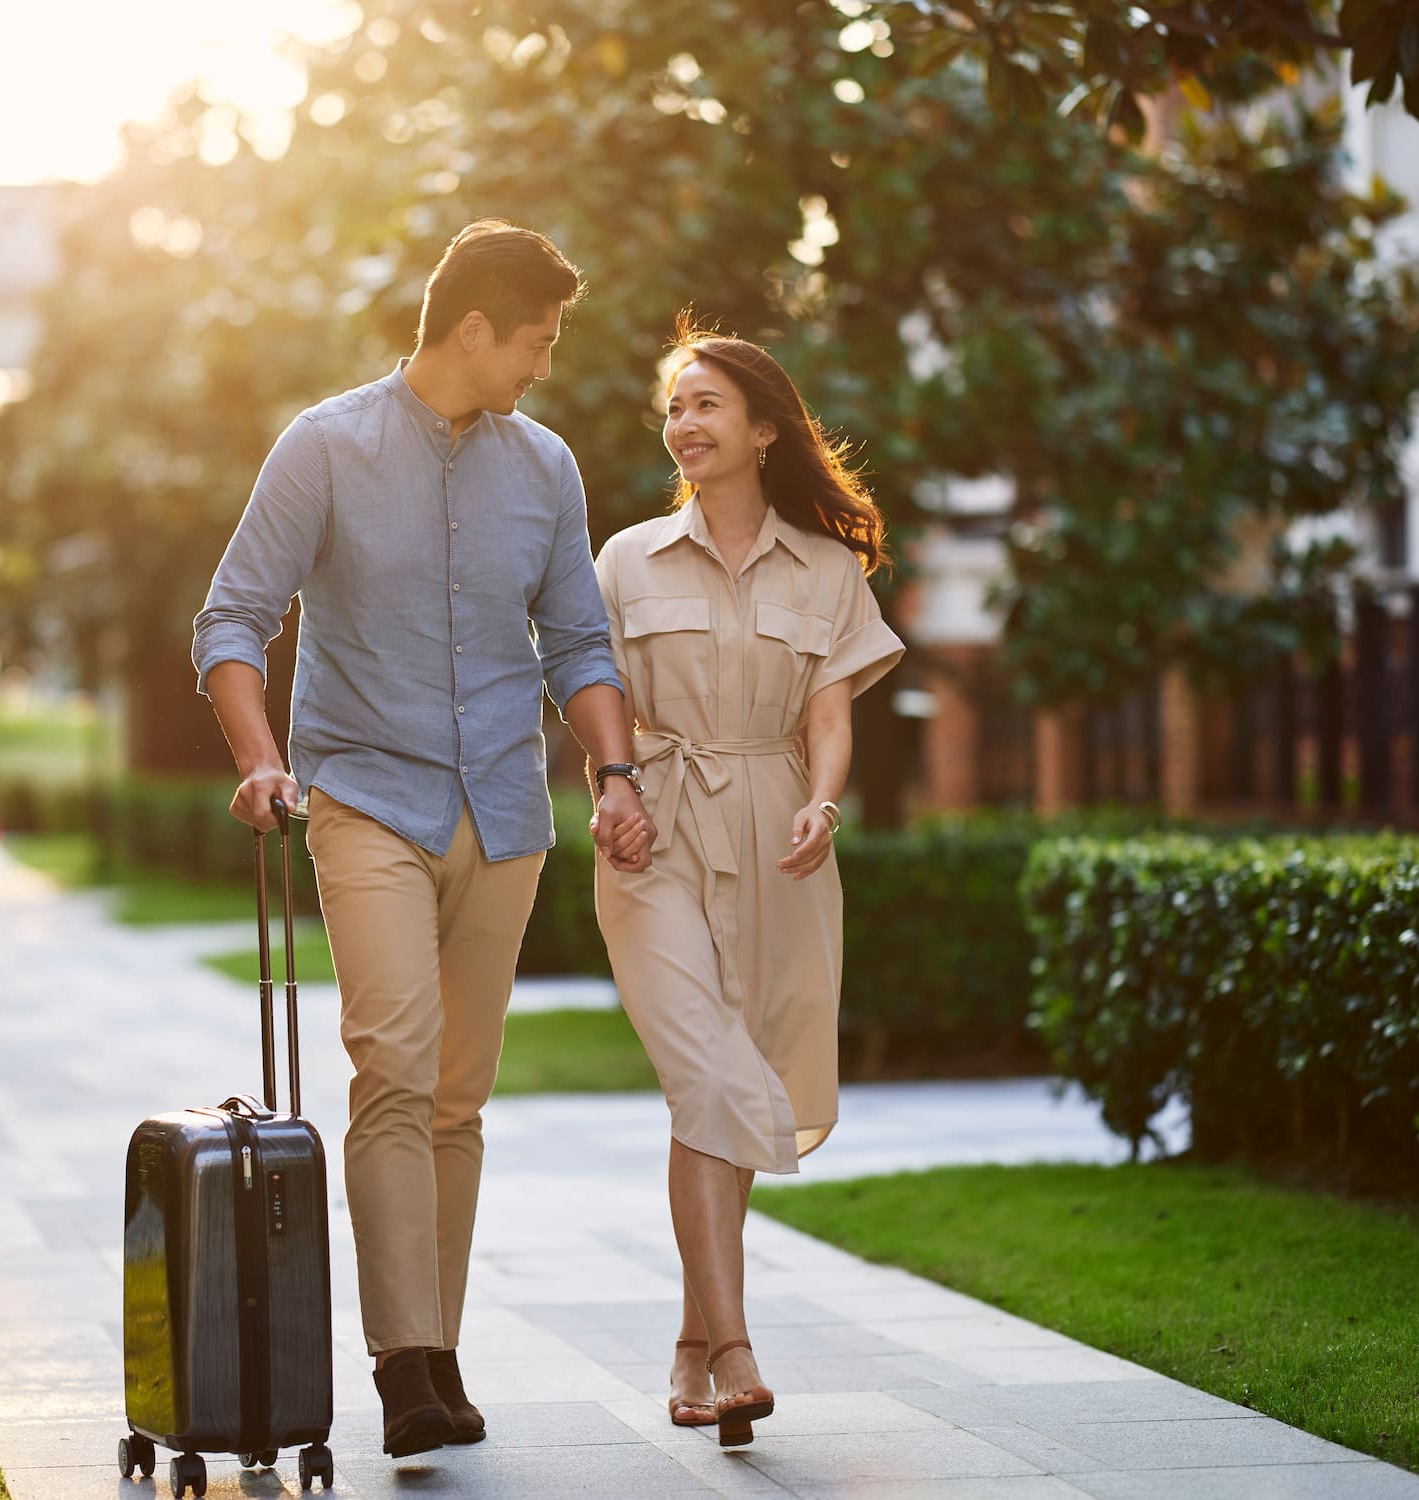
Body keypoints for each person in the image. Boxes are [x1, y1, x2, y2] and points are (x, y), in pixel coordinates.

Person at [192, 220, 657, 1461]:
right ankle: (405, 1365)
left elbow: (576, 643)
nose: (544, 366)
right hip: (365, 799)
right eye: (537, 341)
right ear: (472, 330)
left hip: (503, 810)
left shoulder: (544, 468)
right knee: (393, 1061)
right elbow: (233, 618)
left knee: (458, 1097)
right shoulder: (324, 447)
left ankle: (438, 1356)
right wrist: (260, 761)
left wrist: (613, 771)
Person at [591, 321, 904, 1448]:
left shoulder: (825, 570)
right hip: (651, 832)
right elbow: (601, 699)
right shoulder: (623, 559)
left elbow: (829, 714)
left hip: (778, 832)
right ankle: (734, 1348)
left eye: (708, 402)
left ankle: (687, 1342)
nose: (685, 422)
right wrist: (611, 785)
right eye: (675, 404)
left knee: (729, 1080)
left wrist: (823, 802)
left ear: (762, 427)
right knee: (704, 1065)